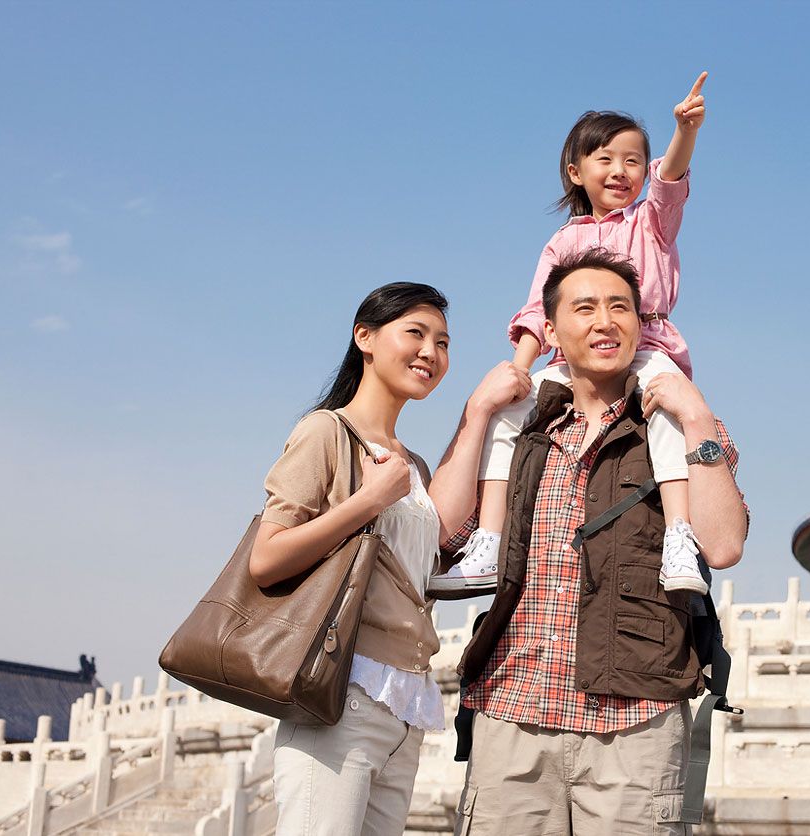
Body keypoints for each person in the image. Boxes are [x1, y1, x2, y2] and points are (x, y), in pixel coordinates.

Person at [442, 248, 748, 835]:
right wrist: (477, 411)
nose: (605, 321)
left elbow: (724, 544)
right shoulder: (520, 427)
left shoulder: (674, 421)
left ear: (642, 324)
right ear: (551, 330)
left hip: (635, 722)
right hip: (512, 712)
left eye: (620, 307)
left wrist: (700, 420)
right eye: (585, 308)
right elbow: (446, 532)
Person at [248, 282, 528, 836]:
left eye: (443, 343)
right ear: (365, 338)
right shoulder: (326, 432)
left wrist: (478, 412)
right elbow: (267, 558)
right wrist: (370, 500)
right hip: (339, 694)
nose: (431, 352)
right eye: (416, 333)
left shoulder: (412, 466)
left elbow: (441, 541)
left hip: (404, 704)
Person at [429, 72, 713, 597]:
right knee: (508, 412)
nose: (620, 171)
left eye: (632, 160)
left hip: (647, 345)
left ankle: (679, 536)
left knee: (672, 412)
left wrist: (685, 130)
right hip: (573, 356)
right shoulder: (563, 241)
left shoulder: (651, 221)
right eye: (605, 159)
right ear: (575, 171)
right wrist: (519, 366)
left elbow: (670, 179)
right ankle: (488, 539)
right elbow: (540, 308)